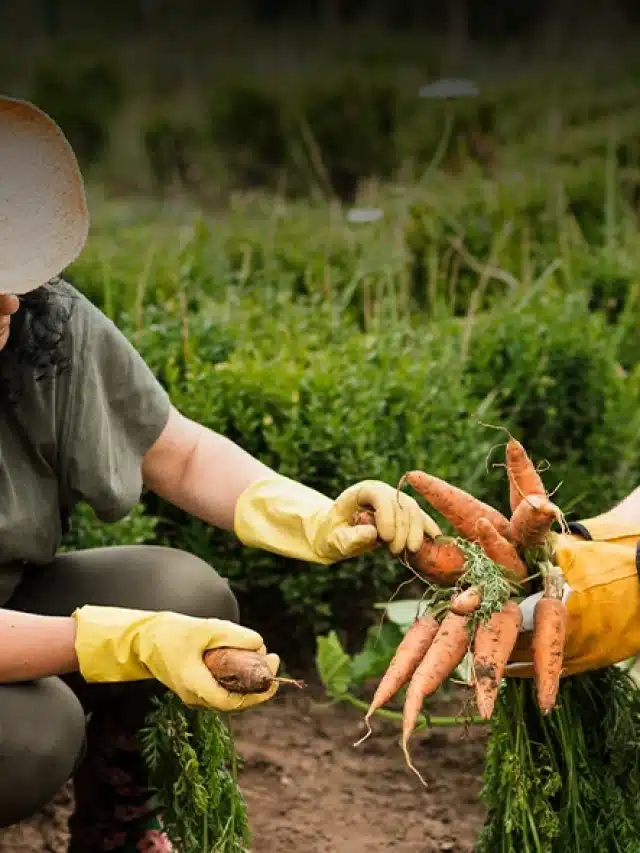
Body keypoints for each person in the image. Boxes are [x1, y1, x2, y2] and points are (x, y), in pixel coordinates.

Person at [0, 96, 442, 852]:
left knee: (182, 592)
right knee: (32, 731)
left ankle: (117, 831)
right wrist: (125, 641)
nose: (8, 298)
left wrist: (316, 518)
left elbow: (178, 452)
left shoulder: (40, 323)